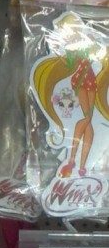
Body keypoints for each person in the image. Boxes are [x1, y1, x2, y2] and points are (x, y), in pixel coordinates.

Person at [32, 12, 109, 178]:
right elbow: (69, 62)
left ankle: (81, 166)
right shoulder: (72, 48)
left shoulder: (88, 41)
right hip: (80, 82)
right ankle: (73, 160)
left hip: (91, 80)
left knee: (89, 123)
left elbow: (98, 53)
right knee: (87, 119)